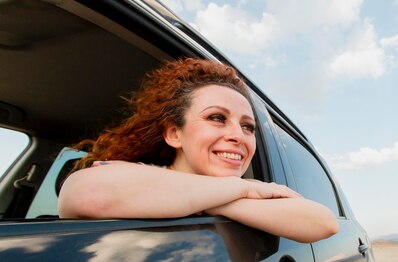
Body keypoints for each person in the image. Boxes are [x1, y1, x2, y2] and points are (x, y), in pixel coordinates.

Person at [58, 58, 339, 243]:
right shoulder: (141, 177)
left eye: (248, 127)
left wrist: (229, 194)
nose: (237, 136)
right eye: (217, 118)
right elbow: (83, 195)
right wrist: (245, 190)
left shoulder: (245, 191)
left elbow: (323, 222)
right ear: (174, 133)